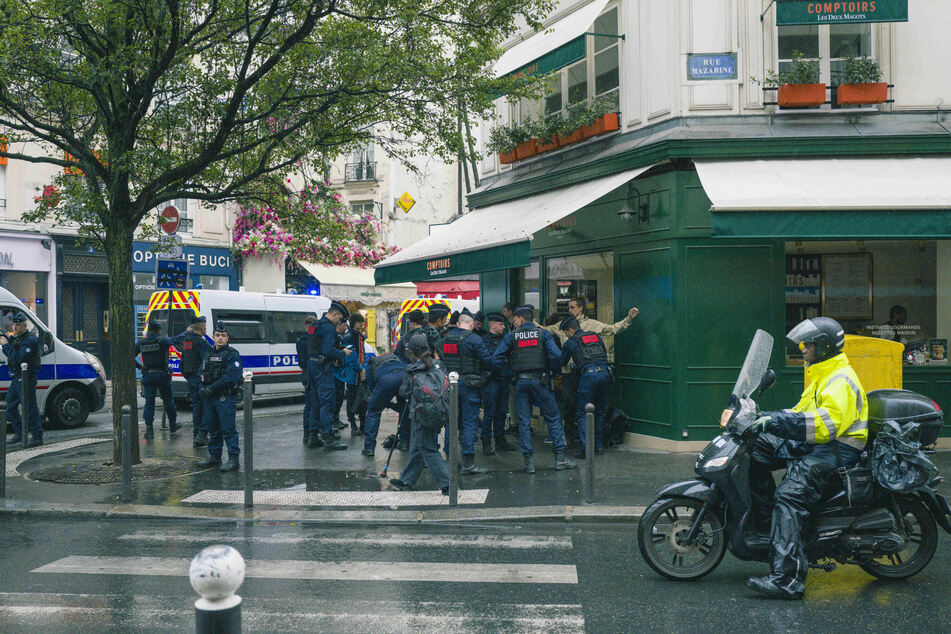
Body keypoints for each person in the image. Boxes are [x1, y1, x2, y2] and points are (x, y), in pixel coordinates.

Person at [745, 317, 868, 600]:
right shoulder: (822, 374)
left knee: (789, 498)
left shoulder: (839, 380)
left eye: (808, 344)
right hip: (820, 444)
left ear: (823, 347)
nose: (803, 348)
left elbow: (823, 426)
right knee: (757, 448)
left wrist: (775, 422)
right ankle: (768, 525)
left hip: (835, 450)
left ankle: (787, 580)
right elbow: (800, 412)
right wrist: (765, 418)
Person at [491, 304, 577, 474]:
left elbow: (496, 358)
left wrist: (510, 373)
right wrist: (550, 371)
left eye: (515, 319)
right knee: (553, 417)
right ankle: (560, 458)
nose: (514, 322)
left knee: (523, 421)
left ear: (522, 319)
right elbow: (557, 356)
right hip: (541, 381)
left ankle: (529, 462)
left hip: (521, 383)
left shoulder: (511, 336)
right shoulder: (543, 334)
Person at [542, 297, 639, 442]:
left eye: (573, 307)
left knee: (587, 407)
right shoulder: (563, 324)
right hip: (568, 371)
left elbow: (612, 329)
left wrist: (628, 319)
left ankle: (587, 439)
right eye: (569, 307)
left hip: (584, 373)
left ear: (581, 308)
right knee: (569, 405)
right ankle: (570, 437)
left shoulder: (592, 324)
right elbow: (544, 330)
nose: (570, 310)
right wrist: (528, 324)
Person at [389, 334, 451, 494]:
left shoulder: (412, 369)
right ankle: (406, 481)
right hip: (438, 411)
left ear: (412, 352)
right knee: (418, 447)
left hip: (421, 414)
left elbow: (404, 392)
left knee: (428, 448)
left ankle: (447, 484)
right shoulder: (438, 364)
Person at [441, 313, 493, 474]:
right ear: (471, 324)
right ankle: (468, 462)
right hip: (469, 384)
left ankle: (450, 458)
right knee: (470, 422)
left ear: (458, 324)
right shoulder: (474, 339)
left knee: (451, 421)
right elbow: (487, 361)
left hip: (450, 383)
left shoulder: (446, 339)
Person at [558, 317, 610, 458]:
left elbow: (562, 362)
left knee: (582, 413)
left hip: (588, 377)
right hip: (605, 374)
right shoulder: (595, 336)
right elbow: (604, 355)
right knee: (599, 412)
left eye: (565, 333)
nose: (566, 336)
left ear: (571, 330)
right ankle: (598, 446)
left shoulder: (572, 341)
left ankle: (586, 449)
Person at [197, 322, 245, 472]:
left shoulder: (232, 355)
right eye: (217, 335)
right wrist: (203, 388)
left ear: (227, 338)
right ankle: (215, 456)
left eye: (223, 336)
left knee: (228, 429)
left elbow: (232, 376)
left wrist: (212, 388)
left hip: (224, 397)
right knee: (213, 429)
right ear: (213, 337)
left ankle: (233, 459)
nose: (220, 338)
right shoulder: (209, 354)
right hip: (210, 398)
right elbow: (202, 373)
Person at [305, 301, 351, 450]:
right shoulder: (328, 328)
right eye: (340, 318)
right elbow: (328, 351)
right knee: (327, 403)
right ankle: (328, 437)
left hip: (311, 367)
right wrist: (342, 353)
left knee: (314, 403)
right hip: (323, 368)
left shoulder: (314, 326)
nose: (340, 322)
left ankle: (313, 436)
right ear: (335, 314)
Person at [134, 321, 187, 439]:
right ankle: (173, 425)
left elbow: (129, 355)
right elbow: (177, 339)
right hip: (163, 375)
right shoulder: (162, 341)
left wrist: (140, 367)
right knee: (168, 401)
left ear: (149, 330)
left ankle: (149, 430)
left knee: (149, 403)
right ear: (158, 330)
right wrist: (187, 331)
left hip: (148, 376)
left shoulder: (142, 343)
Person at [2, 312, 43, 447]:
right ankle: (20, 433)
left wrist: (6, 345)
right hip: (16, 377)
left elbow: (19, 358)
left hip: (26, 377)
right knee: (9, 406)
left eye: (18, 325)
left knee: (30, 407)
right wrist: (8, 341)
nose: (15, 327)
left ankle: (37, 436)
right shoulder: (18, 338)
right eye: (13, 324)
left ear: (25, 325)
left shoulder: (30, 340)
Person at [362, 347, 408, 456]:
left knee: (373, 412)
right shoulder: (397, 358)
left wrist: (383, 402)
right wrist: (392, 405)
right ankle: (404, 442)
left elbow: (371, 386)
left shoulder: (371, 363)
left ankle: (369, 448)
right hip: (404, 377)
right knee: (404, 410)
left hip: (386, 380)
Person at [480, 312, 515, 454]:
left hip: (503, 379)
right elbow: (488, 359)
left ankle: (500, 440)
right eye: (501, 324)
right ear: (492, 325)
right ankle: (486, 441)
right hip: (491, 381)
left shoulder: (505, 340)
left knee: (501, 412)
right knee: (489, 412)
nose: (504, 327)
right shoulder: (484, 340)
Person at [177, 315, 213, 447]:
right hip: (200, 380)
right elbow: (207, 361)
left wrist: (190, 378)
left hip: (191, 379)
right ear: (202, 327)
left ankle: (196, 436)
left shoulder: (186, 342)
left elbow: (182, 364)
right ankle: (202, 435)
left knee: (197, 408)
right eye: (205, 326)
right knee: (207, 408)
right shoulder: (201, 342)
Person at [341, 313, 369, 436]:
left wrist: (364, 368)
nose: (361, 324)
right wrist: (360, 369)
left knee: (363, 399)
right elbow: (351, 357)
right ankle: (353, 424)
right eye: (359, 321)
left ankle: (363, 424)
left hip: (360, 373)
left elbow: (363, 353)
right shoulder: (348, 337)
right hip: (353, 374)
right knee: (351, 399)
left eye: (362, 321)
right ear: (353, 323)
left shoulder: (360, 337)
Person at [296, 315, 321, 446]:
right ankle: (311, 433)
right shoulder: (311, 340)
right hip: (313, 374)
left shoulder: (300, 341)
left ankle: (307, 432)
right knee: (313, 405)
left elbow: (301, 362)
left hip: (306, 374)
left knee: (309, 405)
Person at [331, 319, 350, 431]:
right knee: (336, 396)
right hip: (336, 371)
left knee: (339, 395)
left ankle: (336, 418)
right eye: (344, 325)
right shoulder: (337, 337)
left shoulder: (340, 337)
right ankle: (333, 420)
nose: (345, 328)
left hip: (340, 371)